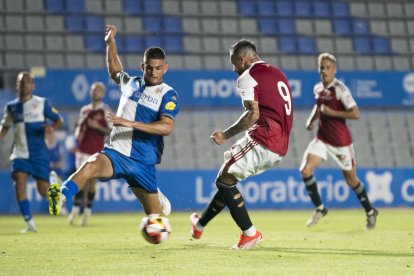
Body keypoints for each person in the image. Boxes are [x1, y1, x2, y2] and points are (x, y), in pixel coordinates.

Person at [47, 25, 179, 222]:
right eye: (149, 67)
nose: (153, 72)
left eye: (158, 68)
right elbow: (115, 70)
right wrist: (110, 42)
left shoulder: (168, 94)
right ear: (143, 66)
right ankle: (61, 197)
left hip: (143, 162)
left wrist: (130, 123)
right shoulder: (131, 83)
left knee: (155, 219)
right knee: (90, 165)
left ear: (165, 68)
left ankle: (157, 200)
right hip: (116, 153)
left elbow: (166, 127)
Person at [190, 39, 293, 250]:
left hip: (264, 139)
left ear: (243, 59)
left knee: (224, 180)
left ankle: (250, 234)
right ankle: (199, 225)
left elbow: (252, 114)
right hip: (280, 144)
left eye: (234, 63)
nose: (234, 69)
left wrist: (225, 135)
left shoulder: (248, 76)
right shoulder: (277, 73)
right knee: (228, 177)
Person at [299, 53, 378, 230]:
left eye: (328, 67)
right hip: (322, 138)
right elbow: (318, 106)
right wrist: (311, 120)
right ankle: (320, 208)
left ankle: (370, 211)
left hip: (341, 142)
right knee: (305, 171)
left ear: (334, 69)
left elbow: (355, 113)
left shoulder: (340, 90)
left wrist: (332, 113)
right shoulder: (318, 88)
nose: (324, 70)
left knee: (351, 181)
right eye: (321, 67)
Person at [0, 71, 63, 233]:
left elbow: (58, 120)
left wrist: (51, 127)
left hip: (38, 154)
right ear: (17, 85)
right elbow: (5, 127)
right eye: (21, 81)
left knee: (43, 192)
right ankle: (29, 223)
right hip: (19, 153)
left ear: (33, 85)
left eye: (27, 81)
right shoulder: (11, 107)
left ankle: (54, 183)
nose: (24, 84)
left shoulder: (42, 103)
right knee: (19, 185)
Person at [68, 82, 113, 226]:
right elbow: (80, 128)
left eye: (98, 90)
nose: (95, 93)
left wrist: (98, 127)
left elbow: (112, 131)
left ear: (103, 93)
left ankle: (87, 212)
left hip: (95, 151)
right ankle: (75, 210)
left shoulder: (106, 111)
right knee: (80, 179)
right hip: (82, 150)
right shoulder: (84, 110)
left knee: (92, 181)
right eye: (94, 90)